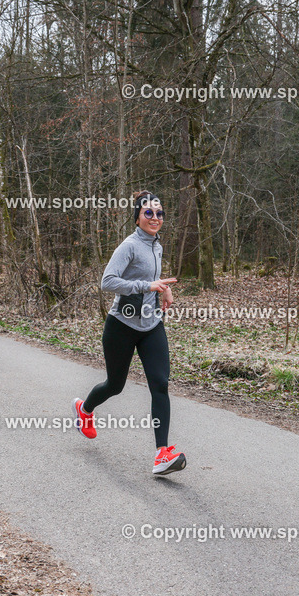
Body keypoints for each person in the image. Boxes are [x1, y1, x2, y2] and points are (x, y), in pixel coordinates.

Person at [72, 191, 185, 475]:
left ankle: (162, 454)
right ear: (137, 216)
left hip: (151, 324)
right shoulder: (130, 245)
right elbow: (108, 281)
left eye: (159, 213)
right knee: (115, 385)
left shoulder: (156, 245)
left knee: (160, 384)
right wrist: (147, 286)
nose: (155, 218)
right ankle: (85, 409)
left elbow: (149, 276)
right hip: (121, 326)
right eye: (149, 213)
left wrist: (164, 288)